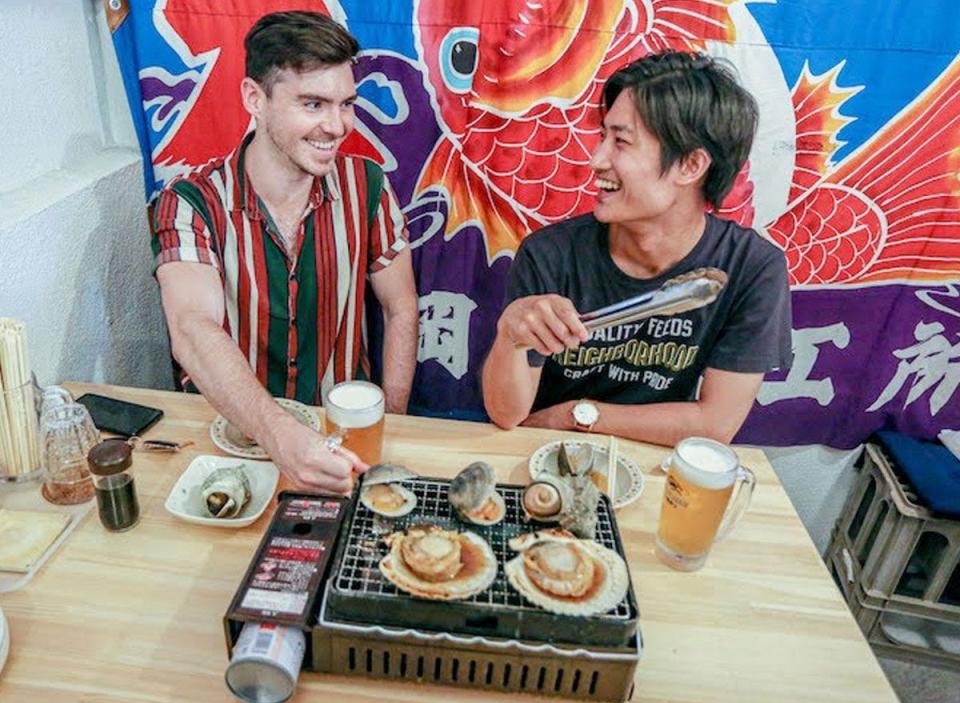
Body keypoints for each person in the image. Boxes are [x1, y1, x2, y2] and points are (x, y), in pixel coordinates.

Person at [152, 12, 418, 493]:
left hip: (343, 441)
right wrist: (278, 433)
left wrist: (389, 420)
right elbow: (192, 329)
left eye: (346, 104)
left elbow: (401, 308)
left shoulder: (368, 186)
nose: (337, 126)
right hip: (230, 442)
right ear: (255, 98)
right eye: (313, 104)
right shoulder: (190, 202)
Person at [482, 51, 793, 446]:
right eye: (602, 137)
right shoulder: (550, 254)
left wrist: (576, 415)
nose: (597, 160)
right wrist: (511, 334)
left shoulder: (751, 268)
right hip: (546, 453)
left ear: (690, 166)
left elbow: (716, 424)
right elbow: (507, 416)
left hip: (652, 460)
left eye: (621, 142)